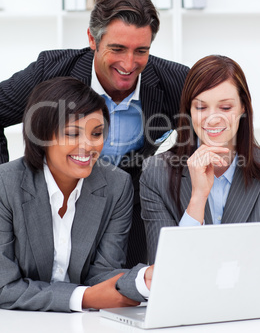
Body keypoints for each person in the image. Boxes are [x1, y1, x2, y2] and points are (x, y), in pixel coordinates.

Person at [0, 0, 189, 267]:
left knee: (124, 291)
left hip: (127, 209)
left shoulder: (175, 81)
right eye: (117, 49)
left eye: (141, 51)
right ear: (92, 39)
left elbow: (209, 138)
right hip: (53, 203)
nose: (129, 64)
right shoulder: (50, 70)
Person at [0, 77, 153, 312]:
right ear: (41, 135)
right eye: (72, 134)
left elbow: (103, 272)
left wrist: (142, 280)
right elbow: (4, 288)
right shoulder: (5, 184)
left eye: (96, 133)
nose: (88, 146)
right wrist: (83, 298)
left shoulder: (117, 185)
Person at [140, 55, 260, 264]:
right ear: (189, 111)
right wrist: (197, 198)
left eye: (225, 108)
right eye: (201, 107)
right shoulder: (155, 173)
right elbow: (161, 269)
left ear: (243, 108)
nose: (213, 118)